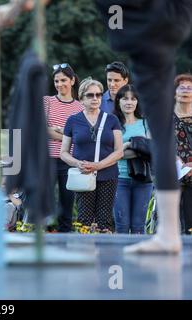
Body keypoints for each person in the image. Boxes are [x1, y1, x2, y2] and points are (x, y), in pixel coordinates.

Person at [95, 0, 192, 253]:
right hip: (166, 24)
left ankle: (169, 234)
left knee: (160, 133)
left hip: (151, 26)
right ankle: (169, 233)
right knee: (161, 134)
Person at [60, 78, 123, 231]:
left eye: (98, 95)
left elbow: (119, 151)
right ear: (81, 99)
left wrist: (99, 165)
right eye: (90, 95)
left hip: (108, 175)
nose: (95, 98)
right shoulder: (73, 120)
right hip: (83, 175)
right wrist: (77, 163)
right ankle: (84, 253)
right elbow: (63, 152)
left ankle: (104, 254)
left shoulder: (112, 120)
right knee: (84, 220)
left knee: (105, 221)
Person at [44, 63, 83, 232]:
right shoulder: (47, 102)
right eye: (56, 81)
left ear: (72, 80)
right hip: (47, 160)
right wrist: (68, 135)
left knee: (67, 203)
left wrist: (57, 131)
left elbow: (80, 137)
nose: (60, 85)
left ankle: (65, 239)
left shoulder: (80, 107)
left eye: (63, 80)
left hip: (70, 160)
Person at [113, 85, 153, 234]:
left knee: (138, 227)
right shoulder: (112, 123)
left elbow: (150, 151)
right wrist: (135, 145)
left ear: (137, 102)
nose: (129, 102)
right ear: (118, 101)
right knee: (122, 226)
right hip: (118, 180)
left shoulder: (145, 123)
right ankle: (119, 257)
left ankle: (138, 257)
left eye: (133, 98)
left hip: (142, 180)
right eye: (125, 98)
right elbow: (109, 153)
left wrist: (124, 146)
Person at [173, 73, 192, 235]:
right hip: (173, 174)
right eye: (182, 87)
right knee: (173, 223)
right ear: (175, 93)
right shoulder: (165, 118)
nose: (185, 90)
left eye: (189, 88)